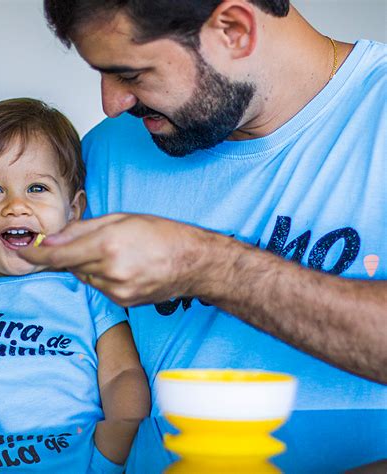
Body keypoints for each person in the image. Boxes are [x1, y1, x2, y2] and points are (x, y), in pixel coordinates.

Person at [22, 1, 387, 410]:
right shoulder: (106, 150)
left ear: (234, 29)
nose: (112, 104)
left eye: (131, 75)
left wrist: (209, 266)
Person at [0, 98, 150, 444]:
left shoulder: (89, 287)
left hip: (77, 464)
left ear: (73, 211)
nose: (16, 206)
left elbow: (121, 375)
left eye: (37, 188)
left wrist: (122, 443)